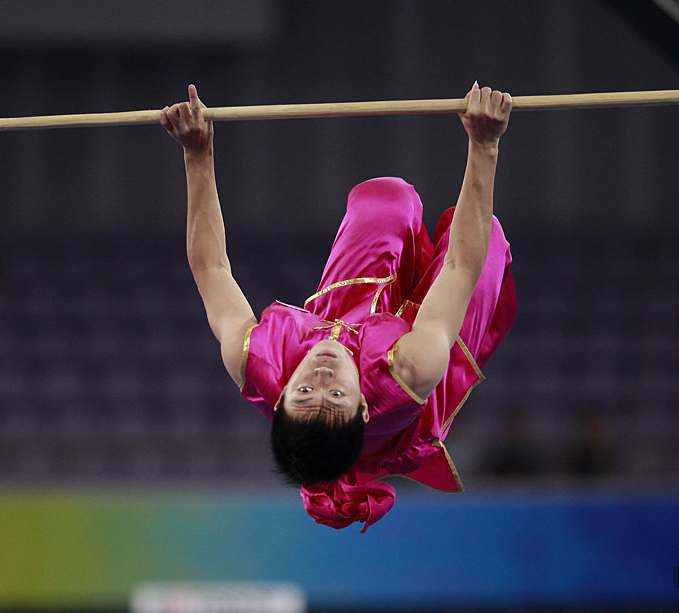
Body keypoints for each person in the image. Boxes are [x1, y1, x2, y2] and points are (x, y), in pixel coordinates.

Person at [161, 82, 516, 531]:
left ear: (280, 399)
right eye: (335, 397)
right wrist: (484, 144)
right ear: (363, 408)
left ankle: (386, 249)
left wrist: (197, 152)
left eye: (304, 393)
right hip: (407, 401)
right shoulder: (411, 369)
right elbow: (461, 266)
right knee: (488, 238)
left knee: (387, 197)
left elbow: (211, 268)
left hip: (347, 325)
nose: (322, 376)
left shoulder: (256, 358)